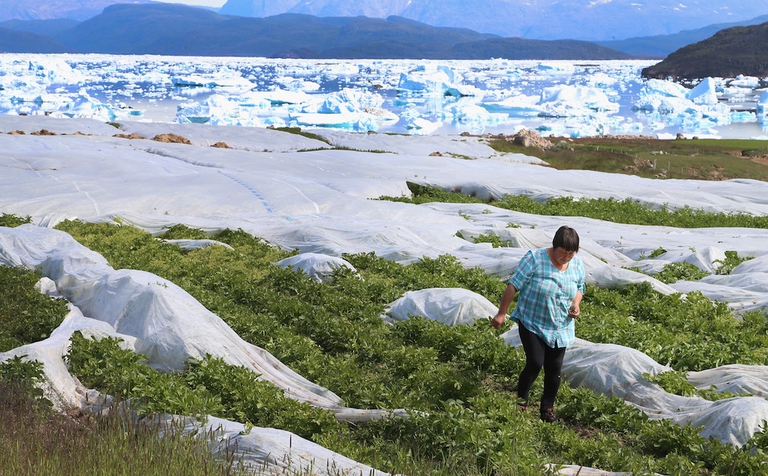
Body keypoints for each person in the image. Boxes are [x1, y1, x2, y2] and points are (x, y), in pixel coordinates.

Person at [491, 225, 585, 423]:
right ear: (554, 246)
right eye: (563, 252)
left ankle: (547, 410)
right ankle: (521, 404)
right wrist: (501, 313)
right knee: (535, 362)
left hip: (560, 326)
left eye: (571, 254)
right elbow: (513, 285)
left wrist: (576, 304)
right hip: (532, 320)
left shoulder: (577, 264)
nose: (566, 257)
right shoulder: (535, 258)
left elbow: (579, 287)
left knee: (554, 369)